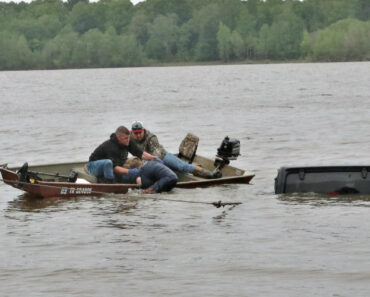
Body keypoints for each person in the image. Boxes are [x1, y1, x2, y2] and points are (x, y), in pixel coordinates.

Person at [130, 121, 217, 178]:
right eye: (136, 133)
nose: (138, 135)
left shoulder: (151, 137)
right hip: (145, 160)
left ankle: (208, 173)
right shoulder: (129, 138)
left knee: (182, 166)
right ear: (132, 133)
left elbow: (156, 155)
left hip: (161, 156)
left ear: (143, 130)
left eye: (140, 133)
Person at [87, 125, 156, 183]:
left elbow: (140, 153)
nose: (128, 140)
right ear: (119, 138)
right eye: (126, 138)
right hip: (93, 166)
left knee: (136, 161)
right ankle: (110, 184)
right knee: (108, 163)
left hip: (115, 165)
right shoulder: (111, 147)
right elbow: (115, 168)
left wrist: (154, 158)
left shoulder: (128, 141)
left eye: (129, 137)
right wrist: (131, 171)